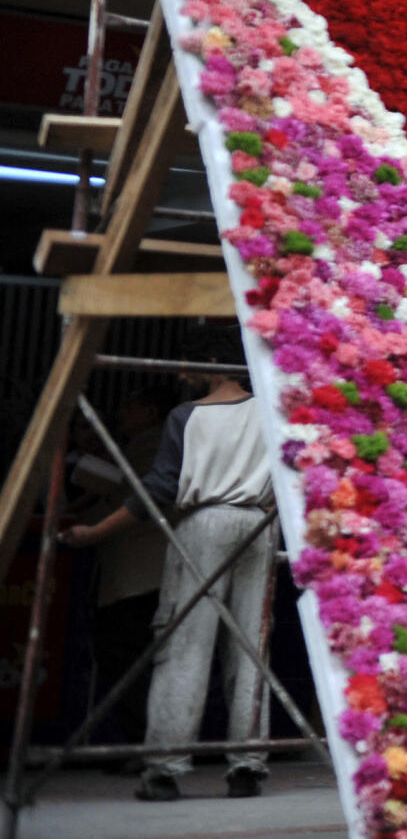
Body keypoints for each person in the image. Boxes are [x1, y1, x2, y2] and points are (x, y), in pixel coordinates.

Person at [89, 333, 279, 801]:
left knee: (184, 645)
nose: (180, 376)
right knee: (251, 648)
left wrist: (94, 533)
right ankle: (247, 766)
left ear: (213, 364)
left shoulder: (186, 416)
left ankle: (165, 767)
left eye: (187, 367)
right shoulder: (271, 410)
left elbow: (159, 487)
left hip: (204, 523)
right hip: (259, 524)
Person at [58, 390, 173, 754]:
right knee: (123, 658)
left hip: (138, 574)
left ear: (149, 411)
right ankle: (138, 744)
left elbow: (132, 499)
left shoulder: (151, 445)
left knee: (126, 659)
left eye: (130, 405)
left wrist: (90, 524)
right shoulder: (138, 445)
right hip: (131, 573)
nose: (122, 413)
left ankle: (143, 746)